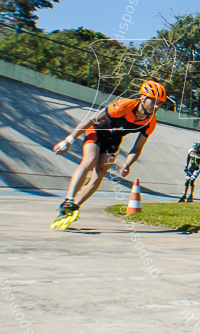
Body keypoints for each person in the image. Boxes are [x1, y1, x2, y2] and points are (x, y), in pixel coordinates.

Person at [50, 80, 167, 228]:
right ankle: (68, 199)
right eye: (154, 101)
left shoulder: (150, 122)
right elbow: (92, 119)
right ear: (143, 98)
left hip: (113, 140)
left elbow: (137, 148)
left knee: (100, 172)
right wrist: (69, 140)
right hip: (97, 131)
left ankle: (75, 206)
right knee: (90, 160)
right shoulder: (123, 105)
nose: (156, 106)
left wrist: (127, 164)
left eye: (160, 103)